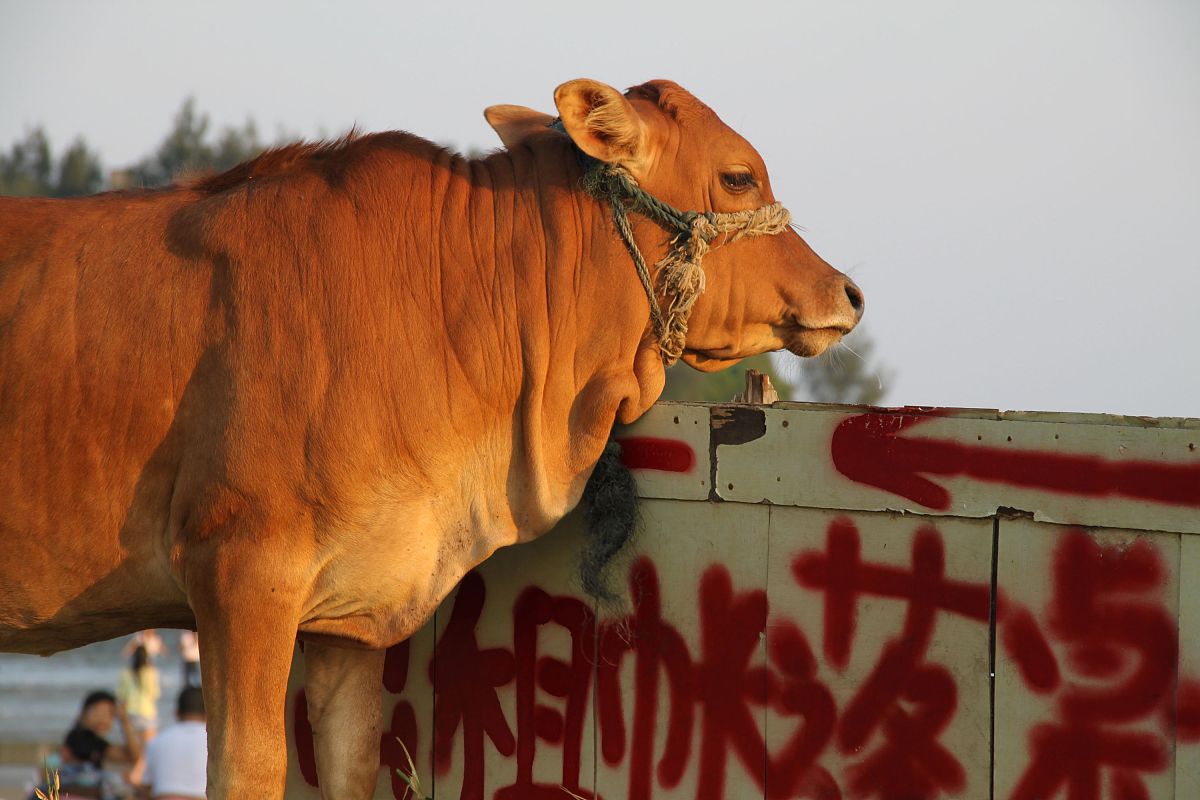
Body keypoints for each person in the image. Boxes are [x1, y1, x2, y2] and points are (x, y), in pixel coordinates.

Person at [30, 690, 141, 800]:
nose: (103, 719)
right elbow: (133, 756)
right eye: (98, 712)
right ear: (84, 712)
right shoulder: (86, 743)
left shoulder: (83, 742)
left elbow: (133, 756)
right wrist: (124, 721)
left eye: (110, 715)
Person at [139, 687, 207, 800]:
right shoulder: (216, 745)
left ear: (176, 712)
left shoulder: (155, 742)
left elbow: (147, 788)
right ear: (208, 712)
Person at [116, 646, 160, 740]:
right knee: (148, 749)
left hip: (131, 714)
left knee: (135, 752)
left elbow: (121, 697)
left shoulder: (125, 673)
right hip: (147, 712)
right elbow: (155, 694)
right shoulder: (151, 672)